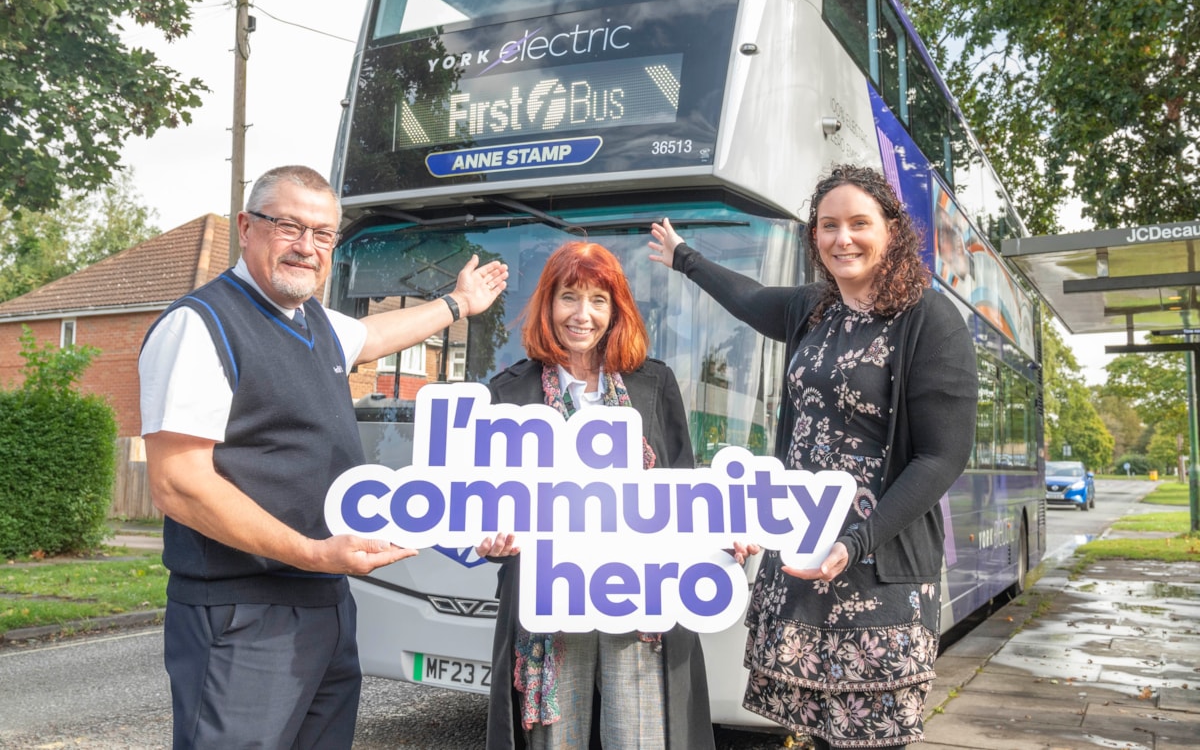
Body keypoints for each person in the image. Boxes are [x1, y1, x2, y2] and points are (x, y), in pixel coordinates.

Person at [138, 165, 508, 749]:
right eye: (288, 226)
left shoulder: (312, 322)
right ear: (246, 227)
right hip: (245, 614)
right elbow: (179, 484)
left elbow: (376, 335)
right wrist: (312, 552)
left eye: (323, 234)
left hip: (326, 603)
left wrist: (457, 304)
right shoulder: (200, 325)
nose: (306, 248)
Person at [648, 165, 978, 749]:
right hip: (801, 559)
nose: (842, 238)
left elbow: (940, 457)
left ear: (893, 231)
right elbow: (747, 297)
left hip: (878, 568)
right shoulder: (813, 308)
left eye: (859, 223)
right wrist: (683, 256)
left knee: (869, 739)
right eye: (828, 225)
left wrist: (854, 542)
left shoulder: (929, 319)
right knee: (813, 735)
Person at [475, 241, 718, 750]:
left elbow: (684, 489)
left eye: (598, 300)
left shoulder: (654, 384)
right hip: (547, 610)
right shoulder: (508, 394)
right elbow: (483, 502)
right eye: (569, 297)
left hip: (638, 601)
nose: (582, 315)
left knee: (641, 737)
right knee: (552, 743)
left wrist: (720, 542)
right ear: (548, 304)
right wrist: (486, 539)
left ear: (617, 310)